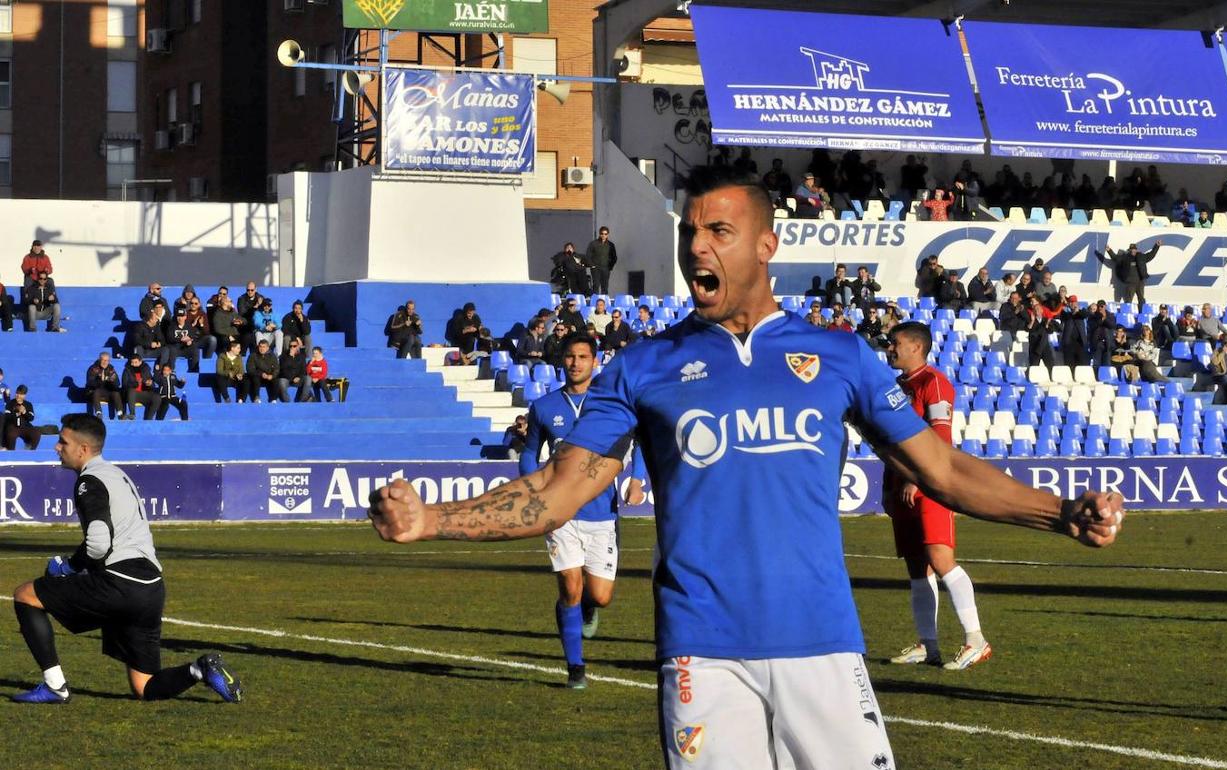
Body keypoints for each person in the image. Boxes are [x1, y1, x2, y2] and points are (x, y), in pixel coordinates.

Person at [366, 165, 1125, 768]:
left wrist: (1058, 512)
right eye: (689, 232)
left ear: (766, 246)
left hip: (823, 644)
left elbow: (945, 472)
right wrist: (434, 519)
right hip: (703, 652)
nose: (697, 247)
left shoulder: (840, 356)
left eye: (718, 231)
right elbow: (559, 491)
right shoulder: (643, 367)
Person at [8, 413, 241, 704]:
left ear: (82, 449)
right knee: (145, 686)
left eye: (62, 441)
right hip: (151, 586)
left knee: (26, 595)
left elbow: (97, 544)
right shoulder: (117, 474)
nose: (57, 447)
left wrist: (68, 566)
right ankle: (199, 669)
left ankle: (55, 686)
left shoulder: (88, 482)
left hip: (119, 583)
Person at [519, 334, 646, 689]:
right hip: (560, 512)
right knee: (569, 586)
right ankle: (575, 668)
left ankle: (585, 609)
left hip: (602, 512)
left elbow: (639, 446)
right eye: (570, 356)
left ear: (595, 361)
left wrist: (638, 480)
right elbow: (530, 451)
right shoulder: (544, 407)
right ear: (562, 360)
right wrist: (532, 485)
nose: (575, 363)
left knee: (600, 596)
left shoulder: (613, 407)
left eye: (582, 357)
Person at [883, 323, 990, 669]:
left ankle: (976, 640)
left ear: (916, 346)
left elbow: (939, 436)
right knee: (917, 567)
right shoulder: (896, 387)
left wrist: (923, 479)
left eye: (894, 342)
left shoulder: (934, 383)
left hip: (929, 484)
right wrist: (890, 486)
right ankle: (928, 645)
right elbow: (892, 444)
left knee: (940, 559)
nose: (889, 348)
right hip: (902, 485)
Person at [1096, 241, 1160, 308]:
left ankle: (1141, 313)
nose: (1133, 251)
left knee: (1141, 299)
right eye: (1132, 250)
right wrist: (1109, 250)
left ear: (1136, 250)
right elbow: (1115, 258)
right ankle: (1127, 311)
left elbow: (1151, 255)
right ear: (1129, 250)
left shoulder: (1142, 257)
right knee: (1128, 301)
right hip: (1130, 284)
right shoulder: (1125, 258)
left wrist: (1157, 246)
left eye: (1134, 249)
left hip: (1140, 283)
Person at [165, 307, 210, 373]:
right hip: (175, 348)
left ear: (185, 317)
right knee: (172, 349)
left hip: (185, 348)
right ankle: (171, 369)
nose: (180, 318)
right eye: (178, 316)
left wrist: (190, 341)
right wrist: (181, 339)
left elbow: (194, 336)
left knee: (195, 349)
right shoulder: (171, 326)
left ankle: (194, 369)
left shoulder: (189, 326)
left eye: (182, 316)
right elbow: (169, 338)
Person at [86, 352, 124, 420]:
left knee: (116, 393)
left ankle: (120, 414)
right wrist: (100, 380)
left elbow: (117, 383)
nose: (105, 362)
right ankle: (98, 413)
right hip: (94, 393)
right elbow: (90, 382)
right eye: (103, 360)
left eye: (107, 360)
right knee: (96, 391)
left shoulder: (111, 369)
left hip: (107, 392)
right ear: (99, 359)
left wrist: (110, 380)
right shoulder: (93, 369)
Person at [121, 353, 157, 421]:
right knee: (131, 391)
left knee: (157, 397)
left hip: (143, 393)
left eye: (136, 362)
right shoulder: (127, 370)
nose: (134, 364)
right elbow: (124, 384)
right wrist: (136, 384)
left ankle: (149, 419)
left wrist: (150, 384)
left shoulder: (146, 370)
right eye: (132, 362)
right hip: (131, 395)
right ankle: (132, 414)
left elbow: (152, 383)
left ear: (140, 362)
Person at [1058, 296, 1089, 373]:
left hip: (1080, 343)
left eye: (1074, 302)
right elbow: (1066, 317)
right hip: (1068, 343)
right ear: (1068, 303)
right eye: (1071, 302)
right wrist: (1073, 312)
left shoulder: (1082, 310)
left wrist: (1077, 311)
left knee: (1081, 365)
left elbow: (1084, 315)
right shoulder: (1064, 311)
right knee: (1069, 365)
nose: (1072, 304)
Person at [4, 385, 41, 450]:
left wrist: (24, 412)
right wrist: (16, 414)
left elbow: (31, 418)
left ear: (24, 395)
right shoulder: (10, 403)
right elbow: (7, 417)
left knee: (36, 433)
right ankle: (11, 453)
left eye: (21, 394)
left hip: (25, 426)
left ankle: (30, 451)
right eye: (17, 393)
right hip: (13, 426)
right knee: (11, 434)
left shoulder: (28, 404)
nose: (18, 395)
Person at [585, 227, 618, 295]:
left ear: (607, 234)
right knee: (596, 285)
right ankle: (595, 301)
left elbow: (614, 257)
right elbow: (588, 255)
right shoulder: (593, 244)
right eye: (602, 233)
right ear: (599, 234)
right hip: (596, 268)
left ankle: (604, 302)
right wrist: (592, 265)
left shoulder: (610, 245)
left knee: (605, 286)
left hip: (606, 268)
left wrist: (610, 267)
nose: (603, 235)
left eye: (605, 234)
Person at [247, 338, 280, 403]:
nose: (262, 349)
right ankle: (257, 397)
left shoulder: (272, 356)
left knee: (276, 379)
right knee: (255, 378)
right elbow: (250, 369)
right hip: (258, 376)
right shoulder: (253, 355)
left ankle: (274, 399)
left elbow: (276, 368)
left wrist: (272, 375)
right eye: (260, 346)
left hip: (269, 377)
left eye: (264, 347)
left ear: (267, 348)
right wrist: (261, 374)